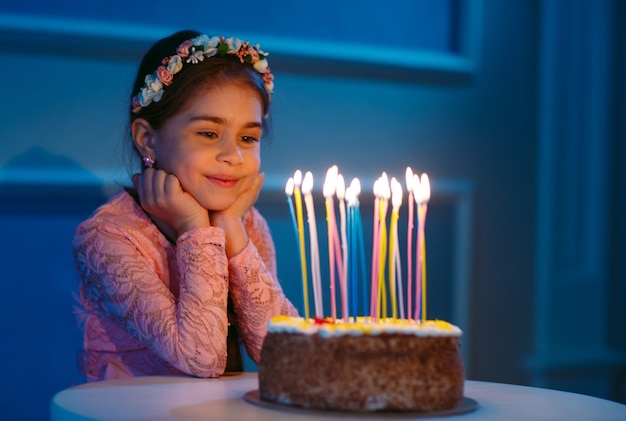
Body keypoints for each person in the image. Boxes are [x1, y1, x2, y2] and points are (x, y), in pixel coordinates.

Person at [72, 29, 298, 381]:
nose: (233, 156)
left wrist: (233, 234)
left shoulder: (246, 224)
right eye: (208, 133)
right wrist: (196, 227)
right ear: (148, 139)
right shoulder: (108, 237)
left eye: (248, 138)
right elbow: (201, 358)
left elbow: (287, 358)